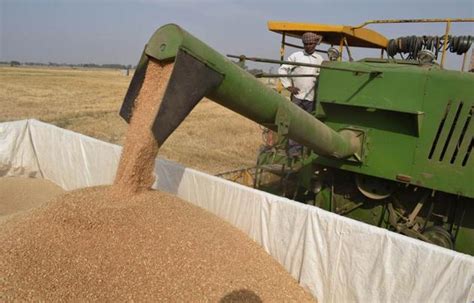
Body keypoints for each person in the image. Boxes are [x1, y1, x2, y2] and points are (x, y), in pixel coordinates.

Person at [278, 32, 324, 158]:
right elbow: (282, 69)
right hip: (297, 97)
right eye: (306, 44)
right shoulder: (296, 56)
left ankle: (307, 151)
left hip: (312, 98)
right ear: (303, 44)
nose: (308, 46)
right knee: (295, 124)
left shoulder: (320, 60)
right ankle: (294, 152)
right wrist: (288, 86)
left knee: (308, 125)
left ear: (315, 44)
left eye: (311, 44)